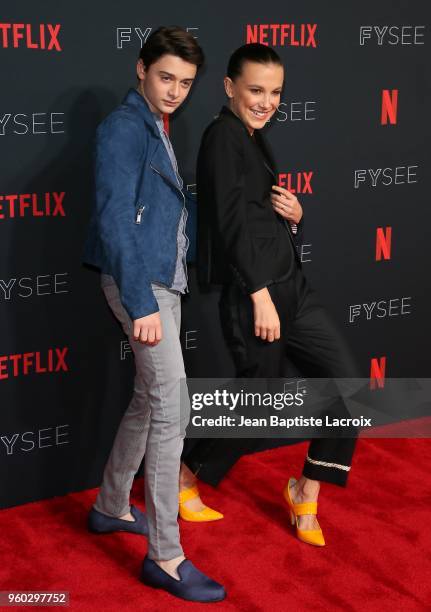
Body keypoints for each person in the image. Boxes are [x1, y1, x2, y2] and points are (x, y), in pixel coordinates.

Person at [182, 43, 360, 547]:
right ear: (229, 87)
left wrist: (295, 219)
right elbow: (228, 222)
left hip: (293, 289)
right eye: (256, 89)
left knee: (347, 385)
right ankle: (184, 476)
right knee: (260, 400)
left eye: (276, 92)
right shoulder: (222, 137)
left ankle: (305, 489)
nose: (266, 101)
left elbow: (255, 217)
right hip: (256, 293)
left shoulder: (251, 137)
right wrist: (258, 293)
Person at [83, 26, 225, 602]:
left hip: (162, 282)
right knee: (172, 411)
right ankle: (166, 556)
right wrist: (141, 301)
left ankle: (112, 505)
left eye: (186, 83)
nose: (175, 91)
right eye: (166, 77)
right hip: (142, 286)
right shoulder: (123, 127)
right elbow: (115, 217)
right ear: (141, 69)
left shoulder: (154, 124)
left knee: (150, 399)